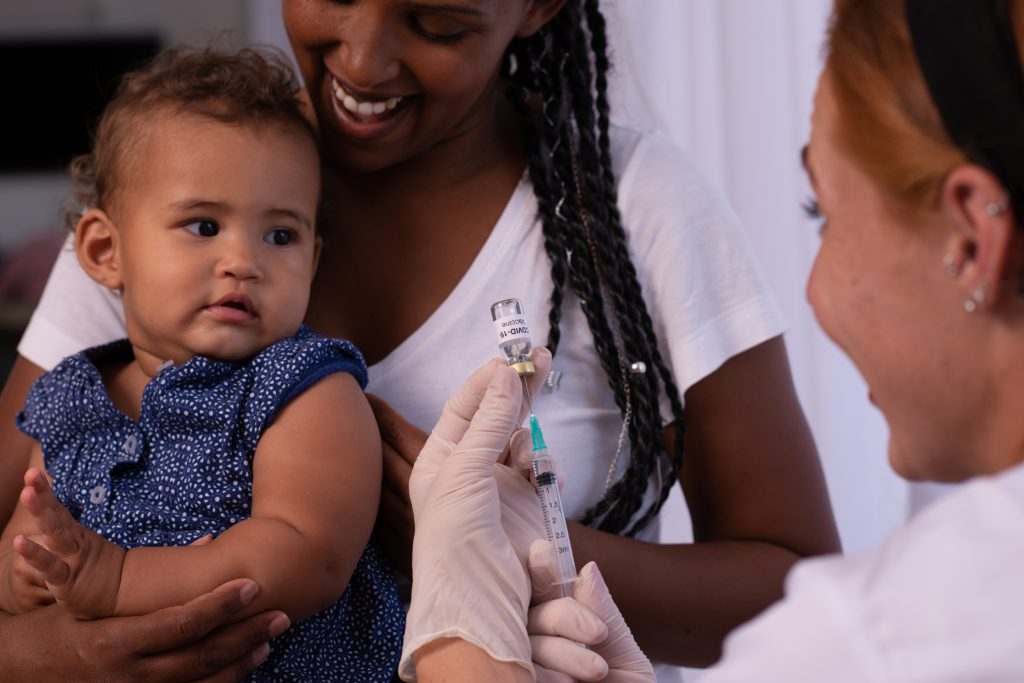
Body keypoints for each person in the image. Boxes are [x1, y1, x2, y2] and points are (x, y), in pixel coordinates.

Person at [0, 1, 839, 679]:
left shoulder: (635, 210)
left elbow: (799, 596)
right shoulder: (166, 188)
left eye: (437, 22)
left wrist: (501, 546)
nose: (362, 61)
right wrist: (40, 654)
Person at [400, 0, 1024, 680]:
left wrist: (454, 628)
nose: (812, 291)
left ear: (971, 238)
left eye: (825, 214)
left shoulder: (880, 642)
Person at [0, 46, 403, 682]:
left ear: (314, 260)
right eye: (204, 226)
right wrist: (25, 573)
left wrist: (120, 581)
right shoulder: (68, 397)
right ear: (105, 250)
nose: (244, 260)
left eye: (280, 236)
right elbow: (32, 522)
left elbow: (308, 553)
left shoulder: (304, 389)